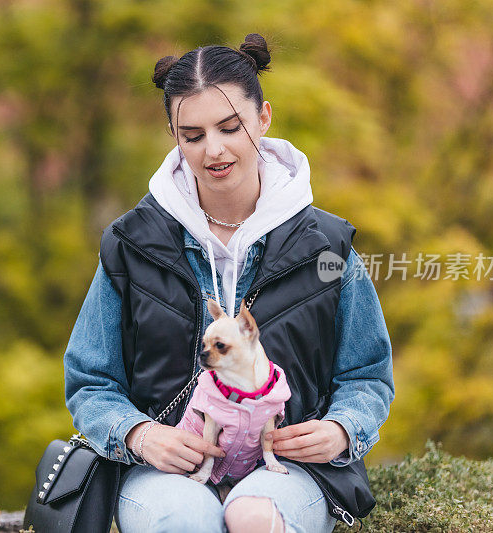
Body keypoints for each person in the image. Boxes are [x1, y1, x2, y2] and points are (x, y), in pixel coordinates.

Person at [63, 33, 394, 533]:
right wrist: (138, 434)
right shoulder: (132, 244)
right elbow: (91, 380)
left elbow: (367, 373)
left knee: (253, 517)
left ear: (263, 118)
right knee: (185, 519)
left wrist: (341, 429)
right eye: (192, 135)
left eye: (230, 127)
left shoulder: (327, 246)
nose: (213, 150)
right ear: (174, 136)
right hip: (165, 470)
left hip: (290, 468)